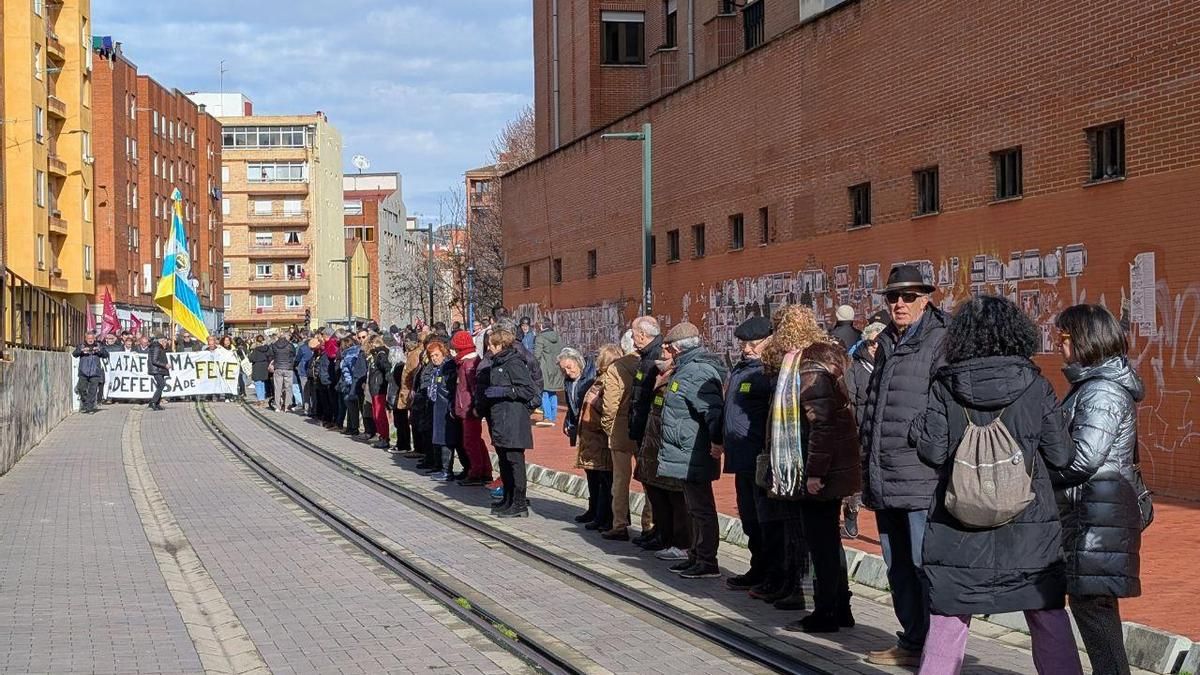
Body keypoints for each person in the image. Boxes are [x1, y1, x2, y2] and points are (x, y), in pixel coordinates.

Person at [913, 295, 1082, 674]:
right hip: (1029, 530)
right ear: (1016, 335)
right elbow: (1061, 456)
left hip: (958, 529)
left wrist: (917, 430)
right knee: (1047, 615)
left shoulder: (945, 386)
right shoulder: (1036, 386)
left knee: (949, 619)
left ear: (961, 339)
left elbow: (933, 453)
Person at [858, 264, 949, 666]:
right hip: (885, 473)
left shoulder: (940, 340)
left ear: (926, 298)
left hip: (921, 475)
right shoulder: (888, 342)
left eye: (908, 296)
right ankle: (913, 643)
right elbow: (875, 406)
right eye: (892, 297)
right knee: (897, 565)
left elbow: (946, 406)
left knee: (922, 563)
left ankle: (936, 650)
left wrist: (925, 444)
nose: (898, 303)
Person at [1053, 304, 1145, 675]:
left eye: (1063, 338)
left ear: (1083, 341)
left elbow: (1083, 459)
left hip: (1095, 521)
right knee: (1094, 610)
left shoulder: (1101, 391)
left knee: (1094, 610)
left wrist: (1040, 471)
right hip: (1094, 518)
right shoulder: (1092, 386)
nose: (1059, 346)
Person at [788, 339, 862, 633]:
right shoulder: (830, 370)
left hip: (823, 473)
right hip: (837, 469)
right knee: (830, 541)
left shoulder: (811, 373)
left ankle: (826, 611)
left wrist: (814, 473)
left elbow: (821, 426)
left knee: (821, 544)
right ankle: (840, 608)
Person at [752, 306, 819, 611]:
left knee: (801, 529)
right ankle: (791, 583)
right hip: (788, 456)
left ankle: (802, 588)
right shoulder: (786, 363)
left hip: (800, 456)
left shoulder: (803, 363)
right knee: (789, 525)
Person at [659, 321, 726, 579]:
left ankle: (707, 559)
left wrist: (716, 442)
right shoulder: (684, 369)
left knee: (701, 508)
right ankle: (696, 555)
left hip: (696, 450)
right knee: (693, 507)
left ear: (678, 348)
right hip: (685, 451)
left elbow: (712, 412)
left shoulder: (697, 371)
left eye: (669, 346)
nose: (666, 350)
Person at [720, 316, 774, 590]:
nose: (747, 349)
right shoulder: (741, 370)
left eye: (753, 344)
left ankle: (770, 573)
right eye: (744, 344)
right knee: (749, 516)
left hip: (759, 457)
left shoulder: (767, 372)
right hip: (741, 456)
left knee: (764, 518)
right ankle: (758, 567)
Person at [637, 348, 691, 563]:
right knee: (658, 494)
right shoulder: (657, 373)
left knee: (676, 499)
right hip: (652, 443)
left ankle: (680, 542)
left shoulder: (681, 376)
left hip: (669, 445)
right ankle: (662, 534)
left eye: (668, 350)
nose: (663, 353)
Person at [479, 327, 539, 517]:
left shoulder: (514, 363)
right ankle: (508, 497)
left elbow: (528, 390)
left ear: (501, 345)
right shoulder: (496, 363)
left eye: (491, 344)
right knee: (504, 461)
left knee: (514, 461)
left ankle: (519, 503)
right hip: (500, 418)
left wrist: (505, 391)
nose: (489, 347)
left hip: (513, 419)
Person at [842, 319, 886, 539]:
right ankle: (851, 515)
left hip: (882, 432)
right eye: (871, 342)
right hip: (860, 430)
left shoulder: (889, 364)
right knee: (857, 480)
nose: (875, 346)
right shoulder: (855, 365)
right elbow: (848, 398)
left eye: (879, 342)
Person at [626, 316, 664, 547]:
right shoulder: (646, 357)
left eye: (633, 334)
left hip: (650, 430)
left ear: (642, 334)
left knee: (655, 483)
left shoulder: (656, 357)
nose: (632, 339)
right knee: (648, 482)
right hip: (642, 428)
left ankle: (658, 529)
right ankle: (651, 528)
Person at [569, 346, 615, 532]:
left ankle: (605, 517)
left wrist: (600, 426)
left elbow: (609, 409)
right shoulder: (598, 379)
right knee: (594, 477)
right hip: (590, 438)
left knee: (605, 479)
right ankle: (595, 511)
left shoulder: (608, 381)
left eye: (599, 358)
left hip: (599, 437)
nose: (595, 361)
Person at [600, 338, 642, 541]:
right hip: (644, 427)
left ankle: (620, 524)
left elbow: (610, 405)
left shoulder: (617, 367)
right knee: (649, 479)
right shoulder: (651, 362)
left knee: (620, 480)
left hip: (622, 427)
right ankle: (650, 523)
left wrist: (610, 428)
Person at [560, 347, 603, 524]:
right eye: (564, 369)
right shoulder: (568, 381)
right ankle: (592, 509)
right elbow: (573, 405)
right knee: (589, 472)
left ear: (578, 362)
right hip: (581, 430)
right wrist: (567, 420)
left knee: (598, 472)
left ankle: (599, 512)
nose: (568, 372)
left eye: (570, 367)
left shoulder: (590, 377)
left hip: (593, 430)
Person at [451, 330, 490, 484]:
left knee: (470, 441)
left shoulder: (468, 364)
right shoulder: (465, 362)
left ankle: (476, 472)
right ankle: (484, 470)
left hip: (469, 408)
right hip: (466, 406)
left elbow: (474, 388)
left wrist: (475, 406)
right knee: (475, 440)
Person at [425, 340, 463, 480]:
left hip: (446, 408)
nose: (434, 358)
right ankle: (440, 467)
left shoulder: (448, 367)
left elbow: (452, 389)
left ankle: (447, 470)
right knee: (438, 438)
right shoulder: (436, 369)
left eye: (436, 355)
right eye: (431, 356)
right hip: (437, 406)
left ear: (443, 353)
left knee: (447, 439)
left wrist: (452, 406)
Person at [533, 319, 563, 427]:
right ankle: (553, 416)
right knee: (553, 392)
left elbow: (537, 355)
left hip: (544, 368)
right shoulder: (558, 337)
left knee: (544, 392)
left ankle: (547, 417)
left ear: (542, 326)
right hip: (556, 367)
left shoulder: (540, 338)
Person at [367, 335, 393, 449]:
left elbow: (386, 367)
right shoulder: (375, 355)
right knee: (375, 414)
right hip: (374, 387)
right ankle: (381, 436)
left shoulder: (381, 353)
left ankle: (384, 437)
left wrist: (385, 379)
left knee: (379, 414)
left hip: (379, 388)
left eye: (371, 343)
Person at [73, 332, 109, 413]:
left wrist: (99, 351)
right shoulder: (81, 345)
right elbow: (74, 354)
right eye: (88, 338)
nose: (90, 340)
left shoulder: (98, 345)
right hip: (83, 371)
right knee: (81, 388)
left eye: (92, 338)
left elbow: (106, 355)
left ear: (94, 339)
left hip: (95, 372)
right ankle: (86, 403)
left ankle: (89, 408)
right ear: (86, 339)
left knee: (92, 391)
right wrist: (81, 351)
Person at [340, 335, 367, 437]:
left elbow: (347, 372)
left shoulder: (348, 357)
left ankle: (353, 428)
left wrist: (348, 384)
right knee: (357, 408)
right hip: (358, 384)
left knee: (352, 408)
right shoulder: (357, 352)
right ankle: (352, 428)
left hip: (351, 385)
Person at [270, 330, 297, 413]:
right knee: (288, 388)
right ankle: (286, 406)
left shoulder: (274, 345)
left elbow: (272, 355)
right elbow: (294, 354)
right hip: (288, 368)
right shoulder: (290, 345)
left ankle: (277, 407)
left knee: (278, 388)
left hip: (278, 368)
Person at [147, 334, 171, 410]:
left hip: (160, 370)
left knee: (160, 386)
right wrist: (165, 365)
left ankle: (157, 403)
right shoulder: (156, 347)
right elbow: (154, 360)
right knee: (162, 385)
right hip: (157, 370)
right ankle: (153, 402)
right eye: (165, 340)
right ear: (161, 340)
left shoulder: (159, 347)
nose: (166, 342)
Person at [249, 335, 272, 407]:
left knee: (258, 383)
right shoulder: (267, 348)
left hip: (257, 366)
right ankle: (263, 399)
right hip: (265, 366)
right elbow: (271, 356)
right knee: (262, 383)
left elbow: (251, 359)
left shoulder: (256, 349)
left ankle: (260, 400)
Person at [296, 334, 314, 413]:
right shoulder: (316, 349)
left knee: (305, 390)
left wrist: (295, 366)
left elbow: (297, 359)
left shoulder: (302, 348)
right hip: (313, 372)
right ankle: (314, 408)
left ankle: (307, 408)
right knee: (313, 392)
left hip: (303, 371)